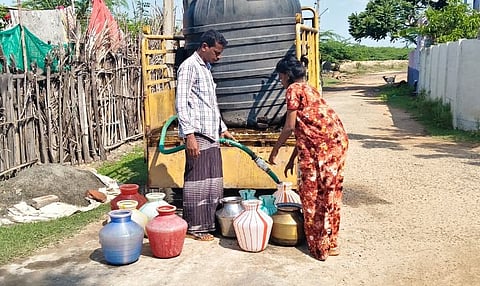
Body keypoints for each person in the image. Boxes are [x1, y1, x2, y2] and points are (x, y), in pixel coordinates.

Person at [268, 55, 349, 260]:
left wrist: (275, 150)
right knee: (330, 193)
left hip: (321, 148)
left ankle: (319, 247)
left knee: (312, 194)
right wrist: (292, 157)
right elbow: (307, 128)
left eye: (280, 76)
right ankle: (331, 243)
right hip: (336, 143)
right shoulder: (309, 88)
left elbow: (290, 126)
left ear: (286, 75)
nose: (280, 80)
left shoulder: (293, 90)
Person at [175, 29, 235, 241]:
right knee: (197, 182)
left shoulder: (207, 68)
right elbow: (181, 103)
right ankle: (195, 228)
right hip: (198, 133)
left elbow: (211, 105)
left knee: (213, 181)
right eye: (216, 53)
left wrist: (223, 128)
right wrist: (189, 135)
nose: (218, 57)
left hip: (212, 132)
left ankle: (209, 224)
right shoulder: (189, 67)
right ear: (204, 47)